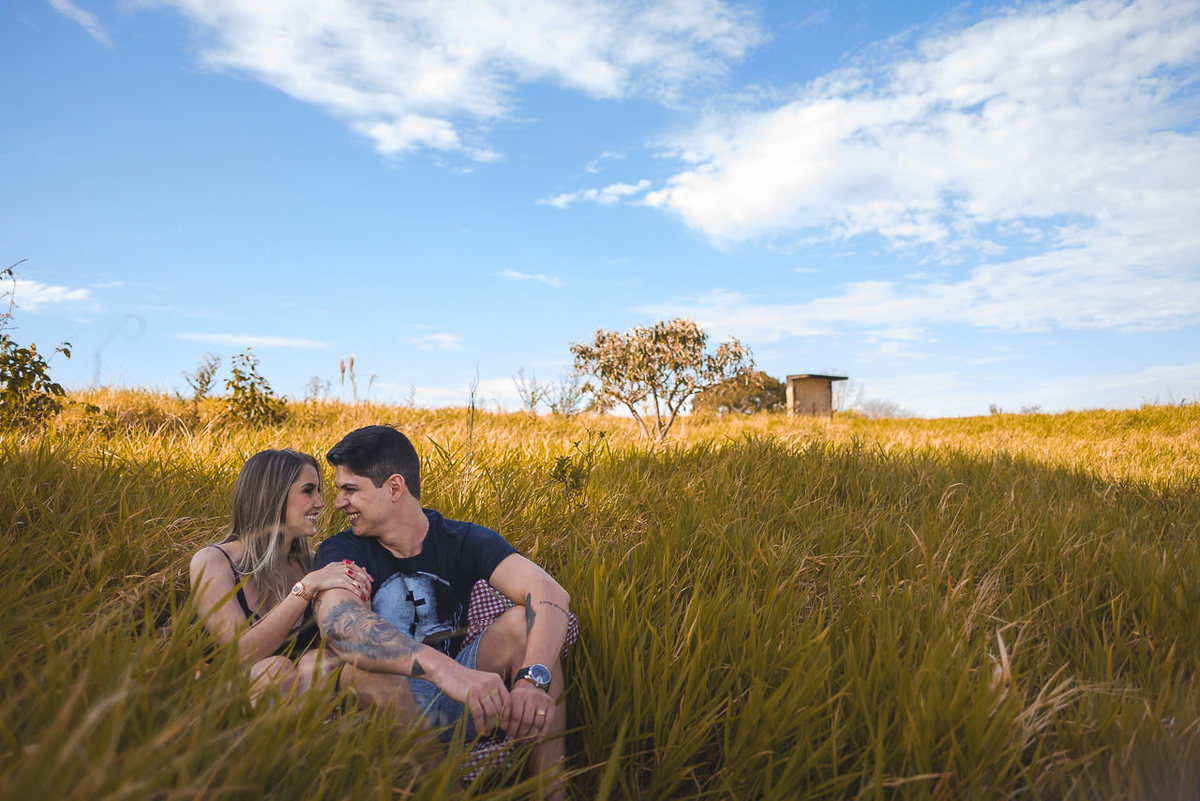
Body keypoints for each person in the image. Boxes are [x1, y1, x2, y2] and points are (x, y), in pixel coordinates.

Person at [311, 425, 571, 793]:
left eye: (350, 489)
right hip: (388, 715)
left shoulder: (461, 538)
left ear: (394, 487)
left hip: (464, 699)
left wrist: (532, 680)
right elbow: (340, 624)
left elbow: (548, 592)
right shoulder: (342, 550)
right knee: (363, 672)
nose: (339, 503)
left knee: (524, 624)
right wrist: (443, 670)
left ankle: (552, 790)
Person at [189, 448, 373, 695]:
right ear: (272, 495)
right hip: (224, 699)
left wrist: (359, 592)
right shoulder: (214, 561)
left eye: (318, 491)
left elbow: (348, 644)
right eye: (308, 491)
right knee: (274, 669)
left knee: (319, 662)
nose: (320, 502)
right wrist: (304, 590)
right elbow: (240, 655)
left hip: (300, 698)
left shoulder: (314, 565)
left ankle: (314, 721)